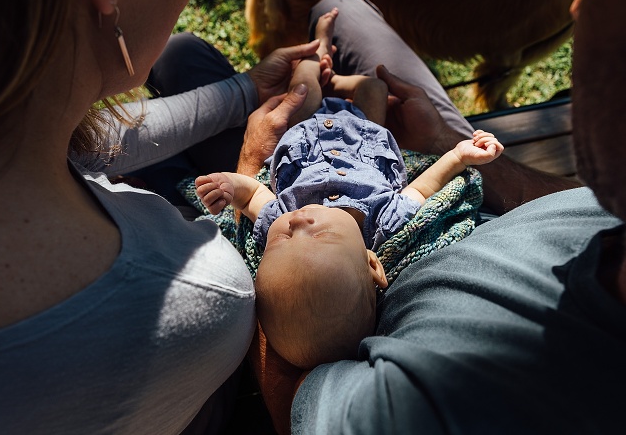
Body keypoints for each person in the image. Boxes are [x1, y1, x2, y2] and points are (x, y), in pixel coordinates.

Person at [242, 0, 626, 432]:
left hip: (298, 199)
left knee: (189, 59)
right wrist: (444, 145)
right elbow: (575, 203)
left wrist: (250, 176)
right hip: (423, 154)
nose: (577, 10)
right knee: (343, 5)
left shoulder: (418, 410)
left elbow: (292, 395)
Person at [0, 0, 334, 434]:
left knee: (181, 52)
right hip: (194, 390)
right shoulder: (204, 292)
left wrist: (245, 92)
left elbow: (79, 141)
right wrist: (249, 169)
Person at [195, 122, 501, 370]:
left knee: (307, 82)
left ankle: (317, 64)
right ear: (371, 263)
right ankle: (344, 79)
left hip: (298, 140)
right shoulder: (387, 222)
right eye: (319, 236)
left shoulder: (278, 215)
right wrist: (459, 157)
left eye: (279, 241)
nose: (297, 224)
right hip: (365, 137)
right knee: (369, 90)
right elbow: (423, 187)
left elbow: (250, 197)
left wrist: (229, 186)